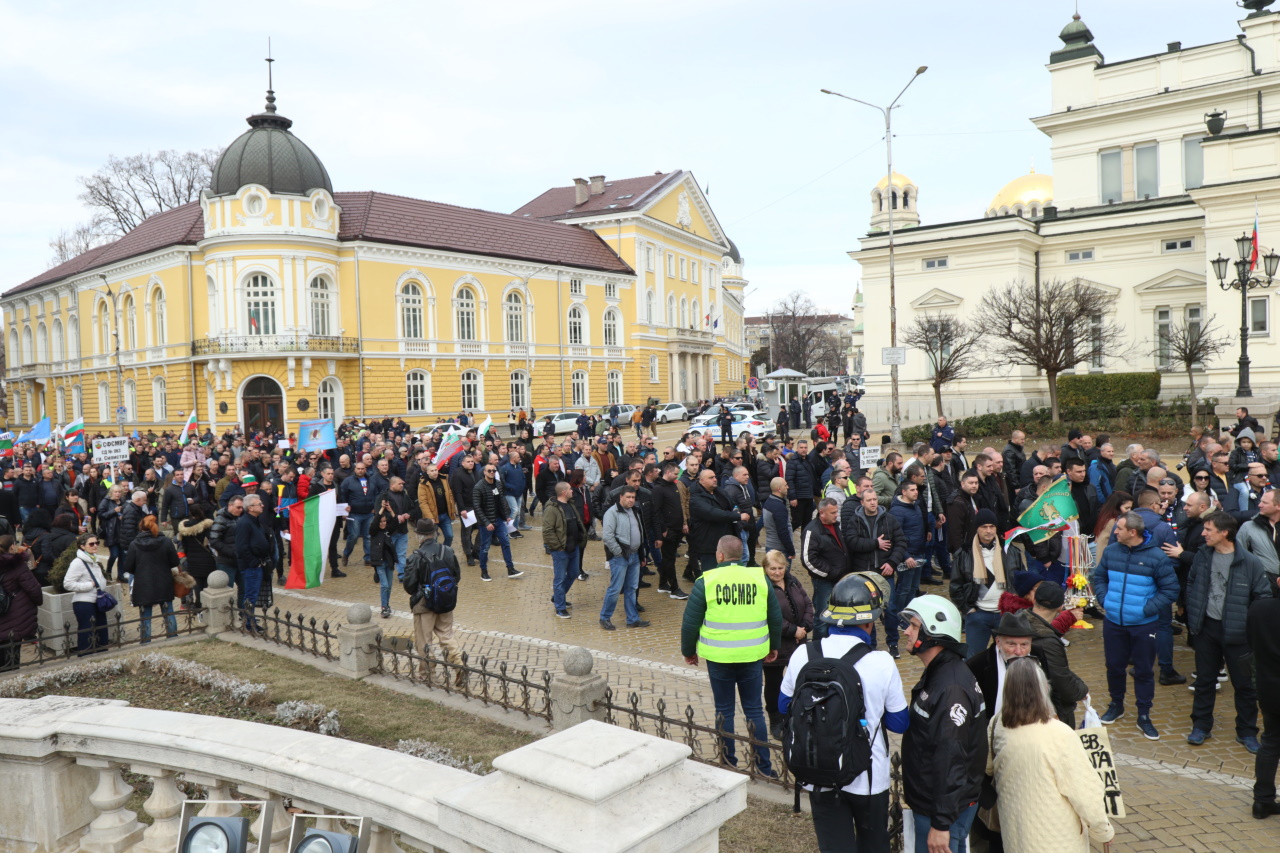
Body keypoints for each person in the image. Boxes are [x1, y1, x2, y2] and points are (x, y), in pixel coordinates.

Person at [780, 573, 908, 851]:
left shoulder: (804, 654)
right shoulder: (882, 662)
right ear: (869, 622)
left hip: (820, 771)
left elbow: (783, 706)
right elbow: (899, 723)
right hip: (869, 776)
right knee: (873, 845)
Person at [986, 657, 1115, 853]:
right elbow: (1084, 791)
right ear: (1043, 689)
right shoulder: (1060, 734)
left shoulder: (998, 723)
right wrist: (1102, 830)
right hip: (1057, 838)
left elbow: (988, 767)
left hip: (1015, 834)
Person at [682, 535, 782, 775]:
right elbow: (775, 617)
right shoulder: (759, 578)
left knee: (724, 710)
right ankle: (764, 767)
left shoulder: (707, 580)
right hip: (752, 655)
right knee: (754, 710)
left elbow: (690, 622)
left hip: (719, 658)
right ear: (743, 554)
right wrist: (773, 646)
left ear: (720, 555)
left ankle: (728, 763)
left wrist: (689, 651)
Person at [900, 594, 987, 853]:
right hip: (939, 807)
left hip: (941, 813)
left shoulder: (950, 689)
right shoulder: (942, 672)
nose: (906, 632)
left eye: (913, 626)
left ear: (932, 633)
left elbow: (952, 759)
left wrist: (940, 824)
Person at [1185, 511, 1272, 752]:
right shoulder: (1203, 556)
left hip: (1239, 634)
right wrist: (1194, 608)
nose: (1203, 534)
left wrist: (1246, 623)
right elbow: (1191, 582)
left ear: (1224, 533)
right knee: (1204, 681)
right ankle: (1201, 726)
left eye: (1208, 530)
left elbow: (1262, 596)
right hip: (1206, 629)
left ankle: (1246, 732)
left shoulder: (1250, 562)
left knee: (1245, 686)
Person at [1092, 511, 1180, 740]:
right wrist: (1105, 601)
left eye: (1119, 528)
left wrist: (1145, 609)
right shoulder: (1112, 551)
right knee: (1114, 666)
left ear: (1132, 532)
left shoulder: (1156, 557)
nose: (1115, 531)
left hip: (1143, 626)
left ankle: (1143, 715)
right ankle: (1116, 704)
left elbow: (1170, 590)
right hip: (1114, 622)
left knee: (1143, 670)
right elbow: (1098, 577)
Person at [950, 508, 1028, 658]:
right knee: (974, 658)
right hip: (978, 615)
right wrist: (968, 610)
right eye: (984, 527)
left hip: (1006, 615)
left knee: (1011, 657)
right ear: (977, 529)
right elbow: (955, 586)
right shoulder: (964, 553)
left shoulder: (1010, 551)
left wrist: (1016, 606)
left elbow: (1022, 580)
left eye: (992, 527)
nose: (988, 531)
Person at [844, 487, 906, 655]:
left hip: (885, 573)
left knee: (890, 609)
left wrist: (892, 563)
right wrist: (874, 543)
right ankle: (870, 644)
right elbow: (852, 542)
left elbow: (900, 543)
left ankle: (893, 643)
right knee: (867, 611)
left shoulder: (889, 519)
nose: (873, 503)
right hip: (864, 573)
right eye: (869, 500)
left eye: (875, 499)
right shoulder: (854, 521)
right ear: (862, 502)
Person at [762, 549, 814, 738]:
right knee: (774, 683)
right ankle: (776, 719)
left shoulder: (793, 581)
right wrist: (793, 630)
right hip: (776, 643)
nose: (777, 572)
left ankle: (797, 715)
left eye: (781, 568)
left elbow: (807, 603)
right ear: (765, 568)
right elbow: (768, 615)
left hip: (799, 641)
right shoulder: (763, 586)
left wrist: (806, 627)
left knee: (799, 680)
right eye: (773, 568)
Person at [1028, 582, 1090, 727]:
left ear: (1034, 600)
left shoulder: (1019, 622)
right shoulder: (1048, 642)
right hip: (1052, 711)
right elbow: (1061, 679)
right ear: (1060, 607)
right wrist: (1081, 690)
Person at [1247, 573, 1280, 819]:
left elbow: (1250, 641)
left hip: (1269, 689)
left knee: (1270, 742)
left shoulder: (1259, 609)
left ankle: (1262, 800)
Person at [124, 515, 180, 644]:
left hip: (144, 583)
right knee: (168, 611)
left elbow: (128, 566)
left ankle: (146, 641)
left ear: (141, 527)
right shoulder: (165, 541)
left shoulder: (134, 544)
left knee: (145, 615)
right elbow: (174, 561)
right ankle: (173, 638)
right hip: (163, 581)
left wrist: (140, 571)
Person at [600, 486, 648, 630]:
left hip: (634, 556)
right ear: (621, 497)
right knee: (615, 589)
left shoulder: (635, 511)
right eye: (628, 497)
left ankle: (632, 619)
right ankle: (605, 618)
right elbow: (607, 536)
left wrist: (642, 554)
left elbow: (640, 532)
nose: (631, 500)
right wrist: (618, 552)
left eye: (633, 497)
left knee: (632, 588)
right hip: (620, 557)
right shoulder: (612, 513)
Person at [801, 497, 849, 620]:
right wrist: (829, 573)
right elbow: (808, 560)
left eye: (836, 511)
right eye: (833, 513)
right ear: (822, 513)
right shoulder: (812, 530)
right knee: (823, 616)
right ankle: (820, 639)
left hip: (840, 577)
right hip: (824, 581)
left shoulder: (834, 525)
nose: (836, 515)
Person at [62, 532, 110, 655]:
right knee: (87, 633)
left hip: (97, 601)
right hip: (84, 603)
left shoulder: (94, 559)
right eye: (91, 544)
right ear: (82, 546)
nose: (95, 546)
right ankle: (85, 658)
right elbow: (67, 584)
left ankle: (103, 657)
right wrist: (90, 585)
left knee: (101, 632)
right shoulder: (78, 562)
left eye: (97, 543)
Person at [473, 461, 521, 582]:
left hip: (499, 520)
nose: (492, 473)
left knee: (506, 543)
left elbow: (501, 501)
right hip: (486, 522)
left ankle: (510, 568)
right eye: (489, 471)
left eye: (494, 471)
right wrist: (486, 522)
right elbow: (477, 507)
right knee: (485, 547)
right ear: (484, 472)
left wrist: (506, 516)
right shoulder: (478, 487)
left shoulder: (498, 484)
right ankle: (483, 571)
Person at [0, 535, 43, 671]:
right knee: (11, 655)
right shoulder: (17, 565)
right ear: (12, 547)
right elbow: (34, 589)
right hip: (14, 614)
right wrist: (37, 602)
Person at [542, 481, 584, 618]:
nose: (573, 491)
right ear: (564, 492)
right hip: (561, 550)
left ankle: (557, 597)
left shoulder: (570, 505)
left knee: (573, 573)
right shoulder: (552, 509)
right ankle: (560, 607)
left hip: (574, 547)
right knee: (559, 578)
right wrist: (558, 547)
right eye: (570, 489)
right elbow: (548, 531)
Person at [234, 494, 272, 633]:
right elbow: (241, 547)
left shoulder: (255, 520)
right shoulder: (244, 523)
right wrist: (254, 562)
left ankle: (250, 619)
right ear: (250, 508)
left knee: (253, 595)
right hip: (251, 567)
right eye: (259, 504)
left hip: (257, 565)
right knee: (250, 595)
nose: (262, 506)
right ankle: (249, 623)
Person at [177, 507, 216, 605]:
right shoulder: (207, 526)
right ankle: (207, 605)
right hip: (207, 559)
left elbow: (184, 547)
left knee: (197, 585)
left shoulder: (184, 528)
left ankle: (198, 604)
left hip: (192, 560)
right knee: (207, 584)